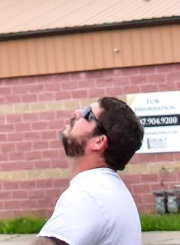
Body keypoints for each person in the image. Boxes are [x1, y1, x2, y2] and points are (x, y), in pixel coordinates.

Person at [37, 97, 144, 245]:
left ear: (99, 141)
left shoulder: (88, 196)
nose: (77, 112)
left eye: (88, 114)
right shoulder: (107, 190)